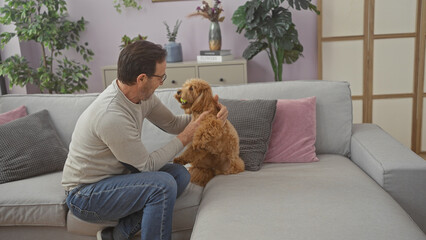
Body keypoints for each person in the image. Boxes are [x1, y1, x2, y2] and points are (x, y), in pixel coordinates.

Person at [62, 40, 228, 240]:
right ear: (141, 78)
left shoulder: (143, 98)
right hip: (85, 195)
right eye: (160, 77)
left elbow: (173, 123)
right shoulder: (111, 115)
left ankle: (117, 235)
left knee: (179, 175)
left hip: (115, 178)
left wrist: (207, 116)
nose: (162, 83)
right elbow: (146, 166)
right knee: (162, 185)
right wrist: (186, 137)